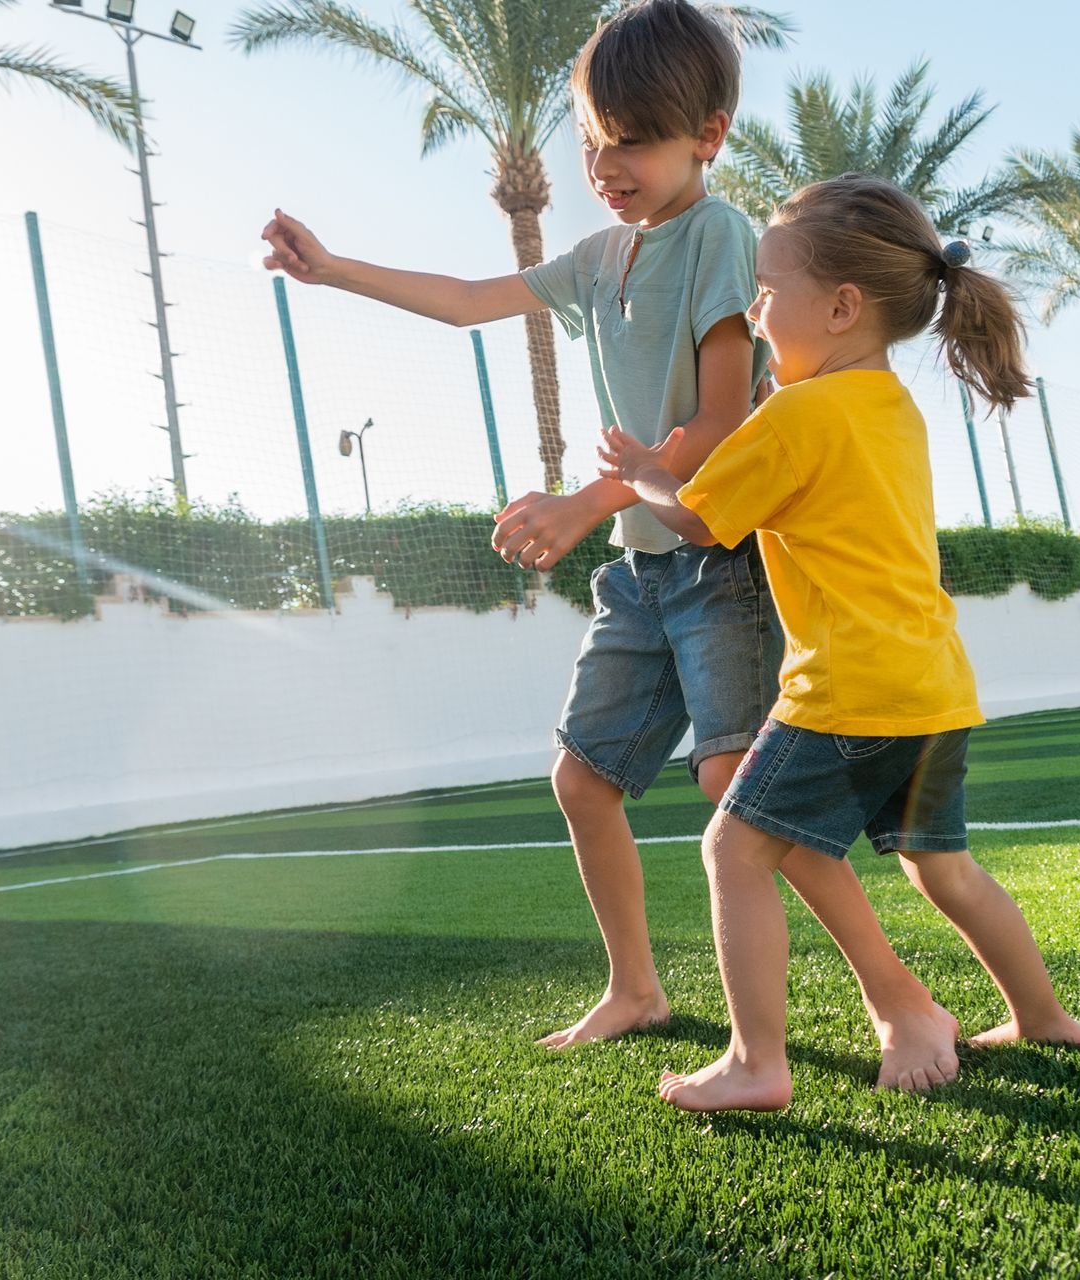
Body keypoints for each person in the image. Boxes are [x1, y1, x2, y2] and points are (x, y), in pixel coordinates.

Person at [262, 0, 783, 1048]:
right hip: (642, 575)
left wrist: (585, 500)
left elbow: (721, 426)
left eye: (632, 139)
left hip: (721, 564)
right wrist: (334, 269)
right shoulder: (597, 259)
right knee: (583, 779)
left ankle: (881, 992)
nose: (606, 163)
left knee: (737, 785)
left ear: (708, 137)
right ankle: (635, 988)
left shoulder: (722, 236)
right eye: (594, 142)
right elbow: (466, 298)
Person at [599, 173, 1080, 1107]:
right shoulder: (889, 406)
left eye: (767, 293)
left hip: (848, 689)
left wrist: (649, 474)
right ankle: (1043, 1015)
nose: (754, 310)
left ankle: (756, 1063)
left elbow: (700, 522)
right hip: (935, 686)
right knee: (944, 866)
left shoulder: (798, 415)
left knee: (732, 851)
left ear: (840, 307)